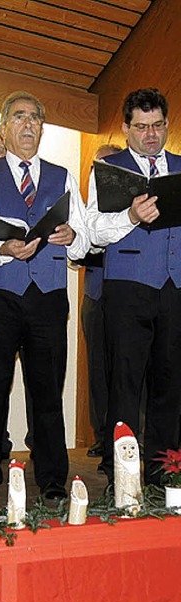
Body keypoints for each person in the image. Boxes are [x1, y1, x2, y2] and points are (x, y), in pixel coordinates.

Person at [0, 90, 89, 500]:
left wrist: (71, 238)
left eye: (35, 118)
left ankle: (52, 478)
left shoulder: (62, 175)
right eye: (19, 117)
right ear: (4, 127)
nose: (28, 124)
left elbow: (85, 238)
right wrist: (2, 249)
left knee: (47, 389)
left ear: (42, 128)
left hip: (47, 296)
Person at [87, 88, 181, 487]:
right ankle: (120, 472)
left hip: (175, 284)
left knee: (171, 381)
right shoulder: (107, 170)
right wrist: (128, 215)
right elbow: (92, 230)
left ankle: (165, 469)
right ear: (126, 129)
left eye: (158, 125)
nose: (151, 135)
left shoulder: (179, 166)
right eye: (141, 127)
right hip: (127, 285)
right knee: (124, 383)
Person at [79, 143, 121, 462]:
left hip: (129, 294)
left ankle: (133, 435)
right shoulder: (84, 208)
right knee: (98, 367)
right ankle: (101, 435)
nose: (100, 173)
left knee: (131, 366)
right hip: (95, 292)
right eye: (96, 168)